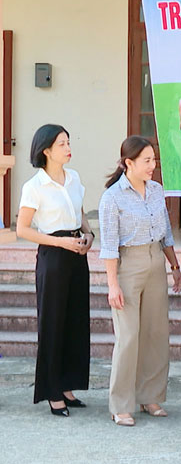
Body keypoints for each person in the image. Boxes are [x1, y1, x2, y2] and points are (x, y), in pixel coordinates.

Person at [99, 136, 181, 426]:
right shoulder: (112, 197)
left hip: (155, 260)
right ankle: (120, 404)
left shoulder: (157, 191)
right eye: (146, 160)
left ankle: (150, 396)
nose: (152, 166)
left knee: (156, 333)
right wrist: (112, 284)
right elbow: (109, 245)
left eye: (153, 160)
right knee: (129, 336)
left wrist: (174, 265)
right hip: (127, 266)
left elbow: (166, 234)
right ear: (128, 163)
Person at [16, 124, 94, 417]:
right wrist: (59, 243)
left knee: (75, 321)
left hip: (76, 253)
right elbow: (23, 229)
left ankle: (67, 385)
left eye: (68, 142)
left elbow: (81, 213)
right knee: (52, 322)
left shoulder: (73, 178)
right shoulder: (34, 186)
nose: (68, 147)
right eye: (62, 143)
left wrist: (89, 236)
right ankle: (51, 390)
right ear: (46, 150)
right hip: (53, 256)